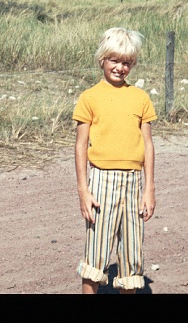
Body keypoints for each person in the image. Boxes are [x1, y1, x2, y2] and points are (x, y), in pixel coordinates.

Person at [72, 27, 157, 294]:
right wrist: (83, 191)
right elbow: (80, 146)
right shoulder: (90, 98)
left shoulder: (140, 98)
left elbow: (148, 144)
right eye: (114, 60)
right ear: (102, 60)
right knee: (96, 255)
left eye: (126, 62)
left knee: (131, 256)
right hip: (101, 181)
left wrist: (149, 188)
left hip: (133, 183)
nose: (120, 67)